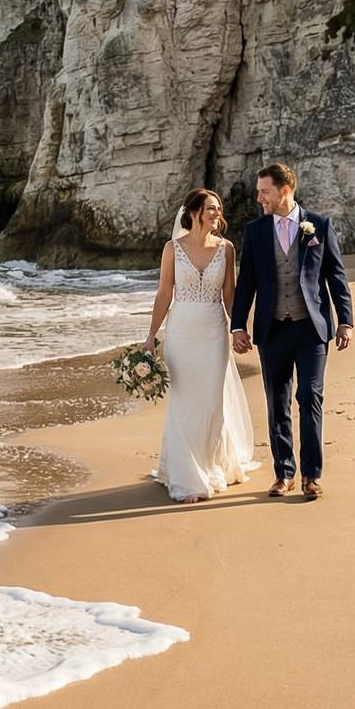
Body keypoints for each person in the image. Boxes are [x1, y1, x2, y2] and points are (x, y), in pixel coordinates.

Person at [228, 164, 354, 501]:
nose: (259, 198)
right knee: (277, 404)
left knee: (310, 398)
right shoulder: (255, 231)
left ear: (285, 190)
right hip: (272, 330)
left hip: (311, 329)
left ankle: (311, 476)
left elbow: (335, 276)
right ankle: (283, 472)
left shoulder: (320, 225)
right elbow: (247, 282)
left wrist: (345, 320)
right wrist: (238, 325)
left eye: (264, 191)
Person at [140, 188, 257, 502]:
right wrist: (151, 336)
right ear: (192, 213)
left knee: (211, 404)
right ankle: (186, 475)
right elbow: (165, 293)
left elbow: (230, 294)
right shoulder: (172, 249)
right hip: (181, 334)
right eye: (210, 208)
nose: (216, 213)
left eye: (218, 208)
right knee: (185, 404)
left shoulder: (227, 249)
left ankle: (210, 465)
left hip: (214, 333)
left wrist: (239, 329)